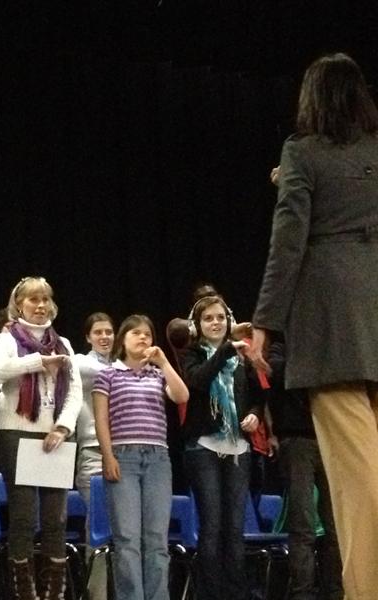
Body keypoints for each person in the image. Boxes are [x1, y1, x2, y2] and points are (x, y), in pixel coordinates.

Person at [248, 52, 378, 600]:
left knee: (356, 483)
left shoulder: (301, 152)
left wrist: (265, 324)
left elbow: (289, 243)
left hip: (333, 327)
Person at [0, 277, 83, 600]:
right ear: (19, 305)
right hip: (16, 432)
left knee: (56, 516)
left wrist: (63, 428)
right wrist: (38, 362)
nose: (40, 306)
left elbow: (75, 392)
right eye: (32, 300)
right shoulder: (7, 339)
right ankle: (25, 594)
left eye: (45, 300)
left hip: (54, 435)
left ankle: (54, 593)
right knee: (24, 515)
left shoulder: (63, 343)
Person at [92, 314, 188, 600]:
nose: (143, 337)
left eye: (147, 334)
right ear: (123, 340)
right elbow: (101, 421)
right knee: (128, 539)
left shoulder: (158, 375)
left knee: (157, 540)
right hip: (124, 456)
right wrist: (108, 456)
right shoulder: (108, 374)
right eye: (135, 333)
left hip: (158, 458)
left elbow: (182, 396)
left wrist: (164, 363)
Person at [181, 295, 264, 600]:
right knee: (213, 526)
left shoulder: (242, 357)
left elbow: (258, 394)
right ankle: (211, 594)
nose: (215, 323)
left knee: (235, 527)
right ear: (198, 325)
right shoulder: (191, 353)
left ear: (228, 320)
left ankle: (236, 593)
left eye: (220, 318)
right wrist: (227, 348)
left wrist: (255, 413)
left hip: (238, 448)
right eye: (208, 319)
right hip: (204, 448)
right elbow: (198, 382)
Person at [266, 340, 343, 600]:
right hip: (296, 440)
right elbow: (275, 372)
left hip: (331, 439)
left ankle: (335, 592)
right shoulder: (282, 346)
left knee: (335, 527)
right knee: (303, 526)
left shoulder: (330, 345)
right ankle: (303, 594)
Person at [72, 312, 114, 600]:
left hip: (123, 453)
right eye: (98, 332)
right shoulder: (80, 363)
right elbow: (106, 374)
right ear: (88, 337)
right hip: (92, 453)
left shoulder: (119, 365)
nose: (104, 337)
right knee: (98, 524)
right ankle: (96, 594)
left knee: (123, 527)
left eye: (109, 332)